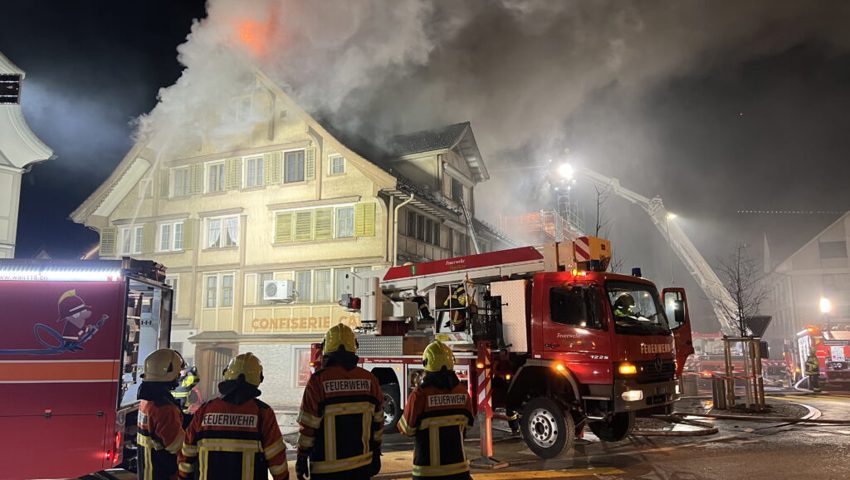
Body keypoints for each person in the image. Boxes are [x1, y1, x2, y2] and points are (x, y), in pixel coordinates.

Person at [178, 353, 289, 480]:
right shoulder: (262, 413)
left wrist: (183, 477)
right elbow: (277, 461)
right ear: (258, 379)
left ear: (226, 375)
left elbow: (187, 454)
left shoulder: (205, 411)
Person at [296, 323, 383, 480]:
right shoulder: (370, 380)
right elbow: (378, 422)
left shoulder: (318, 381)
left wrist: (302, 457)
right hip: (362, 467)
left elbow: (308, 425)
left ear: (326, 349)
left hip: (326, 471)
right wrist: (376, 450)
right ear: (354, 347)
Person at [398, 341, 474, 480]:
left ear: (426, 363)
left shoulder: (419, 395)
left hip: (427, 472)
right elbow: (468, 425)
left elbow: (406, 429)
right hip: (459, 471)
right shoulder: (463, 393)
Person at [137, 349, 186, 480]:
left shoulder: (146, 401)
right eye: (178, 373)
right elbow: (178, 446)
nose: (179, 376)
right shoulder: (165, 408)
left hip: (147, 473)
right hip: (161, 475)